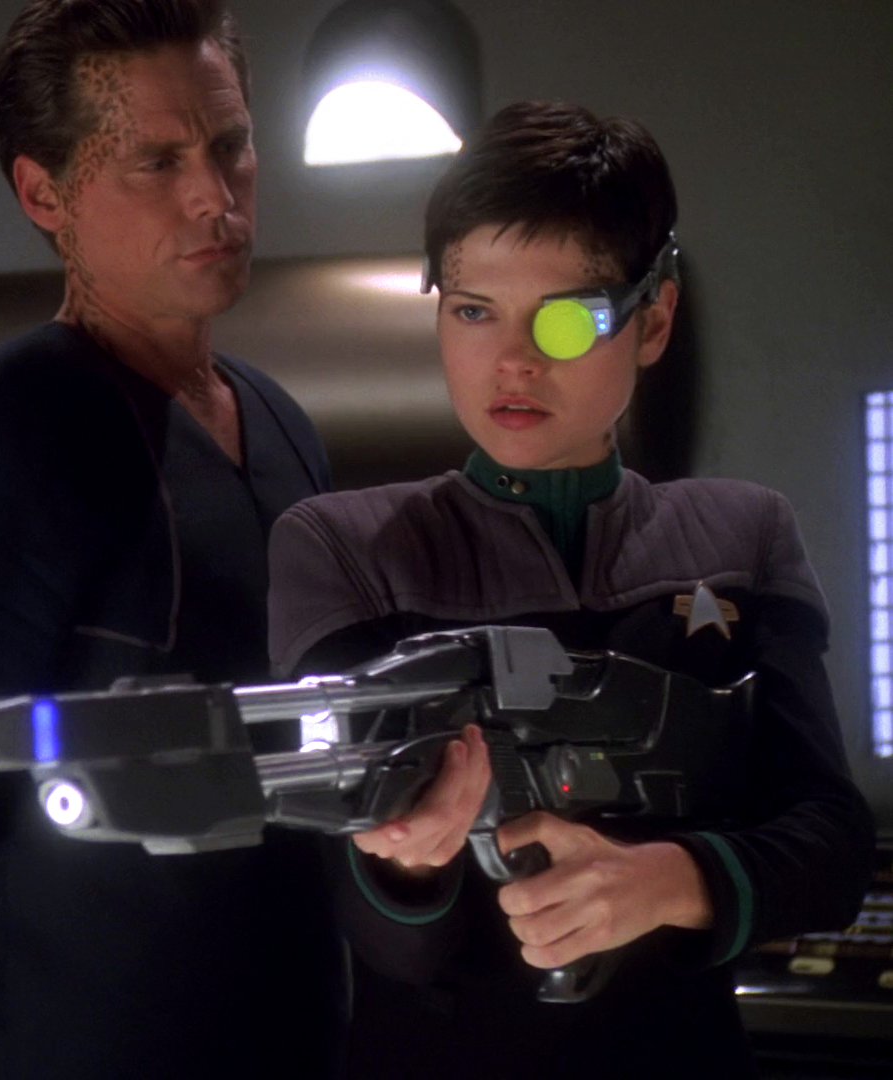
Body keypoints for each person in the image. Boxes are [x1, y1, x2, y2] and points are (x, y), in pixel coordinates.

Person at [267, 101, 875, 1079]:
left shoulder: (743, 536)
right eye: (473, 310)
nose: (513, 360)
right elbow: (381, 942)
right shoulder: (343, 547)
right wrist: (408, 858)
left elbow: (830, 847)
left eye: (567, 317)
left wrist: (660, 881)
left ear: (654, 321)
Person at [0, 2, 347, 1077]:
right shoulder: (4, 434)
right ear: (44, 194)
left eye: (231, 146)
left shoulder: (281, 424)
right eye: (157, 161)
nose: (216, 196)